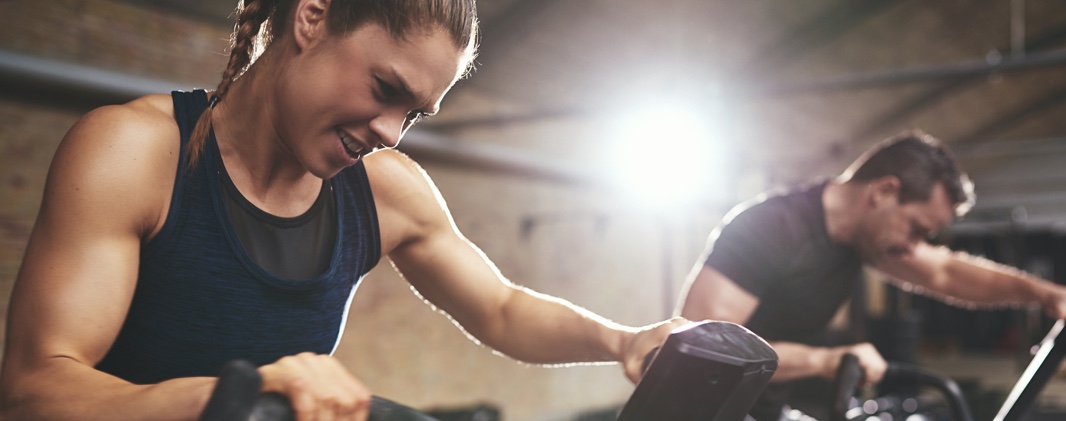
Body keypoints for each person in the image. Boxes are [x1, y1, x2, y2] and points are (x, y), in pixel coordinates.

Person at [0, 0, 686, 420]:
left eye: (414, 113)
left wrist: (623, 341)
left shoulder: (385, 191)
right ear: (313, 15)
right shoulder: (135, 153)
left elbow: (502, 309)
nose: (391, 132)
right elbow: (35, 391)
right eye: (385, 88)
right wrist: (234, 396)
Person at [675, 131, 1066, 421]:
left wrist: (1046, 294)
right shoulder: (771, 230)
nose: (915, 247)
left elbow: (947, 272)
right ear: (883, 193)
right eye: (917, 229)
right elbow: (698, 352)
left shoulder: (863, 238)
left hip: (765, 409)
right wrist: (824, 360)